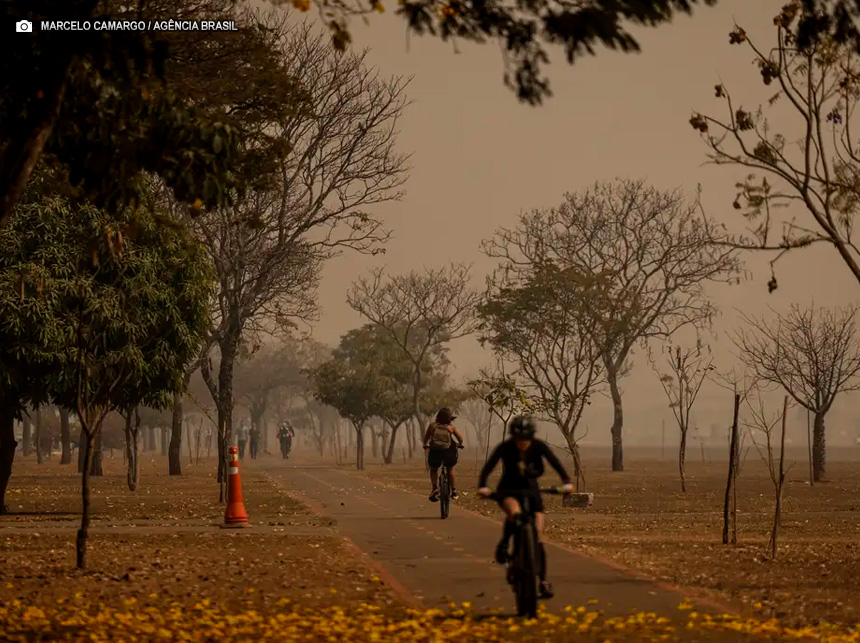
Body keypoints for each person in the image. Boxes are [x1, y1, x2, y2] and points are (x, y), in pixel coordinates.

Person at [477, 415, 574, 599]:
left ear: (532, 436)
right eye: (519, 440)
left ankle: (543, 581)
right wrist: (483, 486)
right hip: (508, 489)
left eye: (526, 440)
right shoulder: (505, 447)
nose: (522, 443)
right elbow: (488, 467)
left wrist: (566, 482)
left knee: (538, 537)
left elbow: (555, 463)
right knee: (515, 513)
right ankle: (504, 543)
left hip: (531, 491)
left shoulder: (539, 446)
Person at [423, 407, 465, 502]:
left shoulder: (432, 426)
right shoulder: (451, 427)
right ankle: (454, 491)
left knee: (433, 469)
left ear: (438, 416)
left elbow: (426, 438)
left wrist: (425, 445)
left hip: (435, 451)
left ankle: (435, 488)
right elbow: (460, 439)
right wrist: (460, 445)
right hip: (448, 452)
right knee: (450, 469)